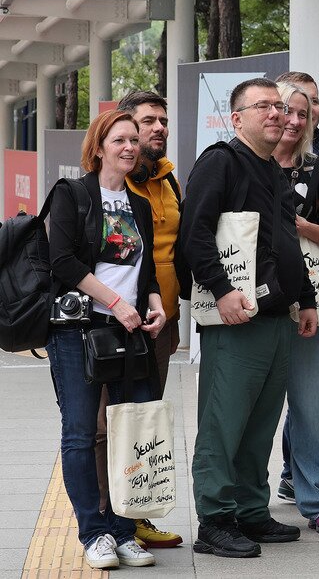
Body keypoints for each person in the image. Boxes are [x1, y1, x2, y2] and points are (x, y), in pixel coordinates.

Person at [183, 78, 319, 557]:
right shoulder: (220, 162)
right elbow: (194, 236)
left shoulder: (276, 173)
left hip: (276, 315)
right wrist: (221, 291)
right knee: (224, 422)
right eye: (264, 106)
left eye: (280, 107)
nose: (277, 115)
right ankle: (215, 520)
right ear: (236, 118)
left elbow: (289, 244)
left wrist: (305, 298)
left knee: (261, 422)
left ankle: (251, 512)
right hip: (235, 318)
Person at [46, 110, 163, 569]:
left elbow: (146, 268)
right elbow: (64, 262)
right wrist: (116, 302)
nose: (130, 146)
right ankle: (93, 532)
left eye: (135, 139)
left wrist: (153, 303)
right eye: (120, 139)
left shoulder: (138, 205)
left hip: (129, 330)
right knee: (80, 432)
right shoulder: (72, 194)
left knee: (128, 432)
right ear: (98, 147)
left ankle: (122, 528)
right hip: (78, 332)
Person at [270, 82, 319, 534]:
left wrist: (299, 225)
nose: (295, 121)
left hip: (309, 301)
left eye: (303, 113)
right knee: (254, 407)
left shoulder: (318, 168)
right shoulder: (237, 162)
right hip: (252, 303)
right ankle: (245, 500)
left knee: (317, 405)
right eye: (285, 111)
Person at [111, 90, 185, 550]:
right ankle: (106, 521)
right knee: (110, 423)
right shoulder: (113, 184)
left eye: (163, 120)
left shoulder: (170, 181)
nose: (158, 128)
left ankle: (136, 518)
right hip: (117, 324)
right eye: (147, 121)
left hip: (163, 322)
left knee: (145, 423)